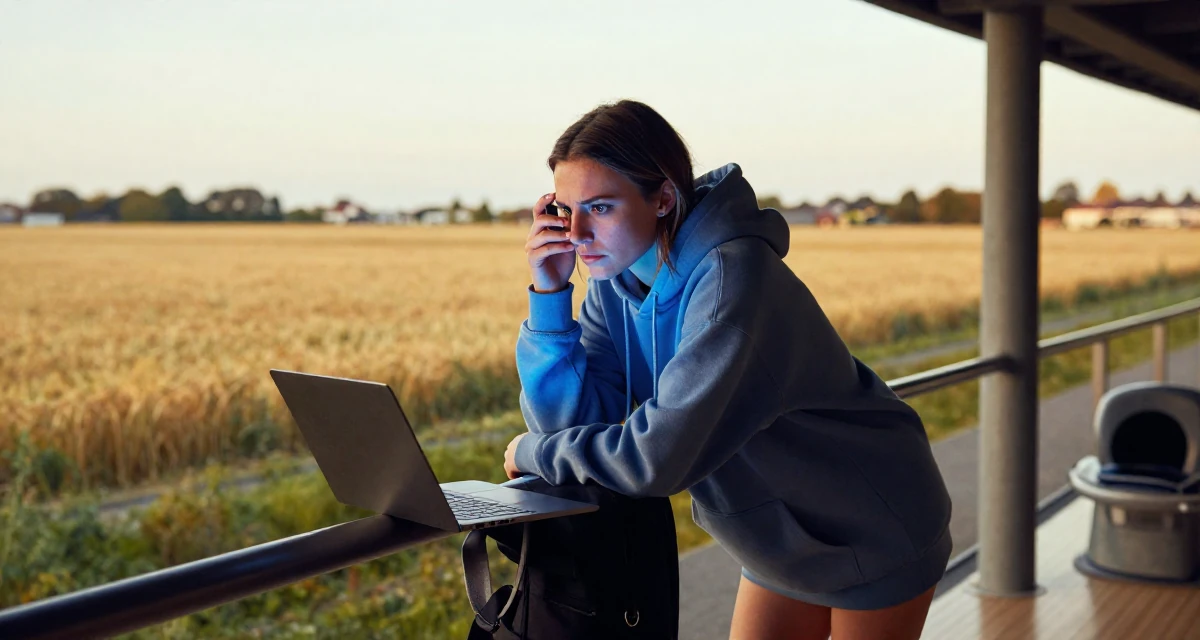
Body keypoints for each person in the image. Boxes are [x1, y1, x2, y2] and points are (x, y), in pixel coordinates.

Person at [502, 99, 952, 640]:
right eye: (563, 210)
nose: (574, 233)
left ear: (664, 198)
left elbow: (657, 462)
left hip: (871, 522)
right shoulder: (612, 286)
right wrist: (550, 295)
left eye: (599, 208)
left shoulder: (731, 282)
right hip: (777, 540)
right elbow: (571, 423)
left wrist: (531, 453)